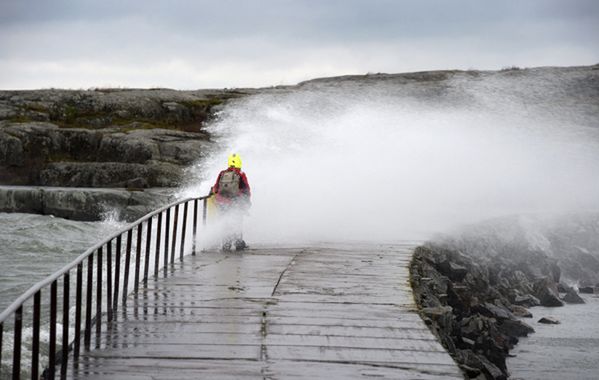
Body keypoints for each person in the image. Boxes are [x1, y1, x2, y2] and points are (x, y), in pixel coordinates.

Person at [211, 153, 251, 251]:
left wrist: (217, 197)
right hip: (236, 202)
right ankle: (238, 243)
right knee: (237, 222)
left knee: (225, 222)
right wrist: (247, 202)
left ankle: (226, 244)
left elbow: (216, 187)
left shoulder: (222, 173)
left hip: (222, 202)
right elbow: (246, 189)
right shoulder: (241, 174)